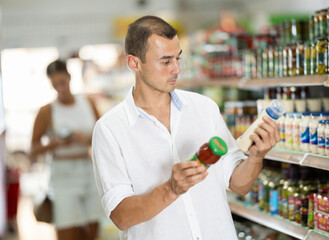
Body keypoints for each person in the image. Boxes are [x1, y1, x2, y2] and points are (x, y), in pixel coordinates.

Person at [91, 16, 280, 240]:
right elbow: (121, 216)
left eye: (178, 58)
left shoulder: (204, 108)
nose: (177, 69)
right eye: (166, 61)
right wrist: (171, 189)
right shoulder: (110, 129)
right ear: (134, 63)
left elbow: (238, 184)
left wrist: (256, 157)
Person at [30, 59, 104, 240]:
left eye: (62, 82)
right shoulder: (47, 111)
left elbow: (104, 138)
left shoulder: (87, 103)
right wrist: (55, 143)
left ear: (70, 78)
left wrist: (86, 139)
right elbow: (33, 149)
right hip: (63, 176)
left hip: (89, 172)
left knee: (92, 231)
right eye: (55, 85)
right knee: (68, 231)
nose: (60, 89)